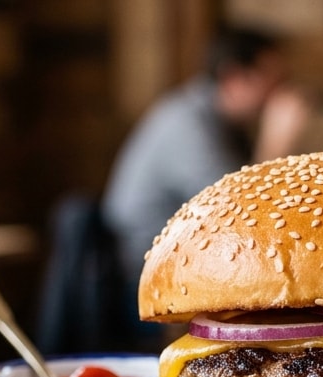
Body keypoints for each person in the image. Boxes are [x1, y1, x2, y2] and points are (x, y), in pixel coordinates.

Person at [102, 26, 310, 346]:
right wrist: (276, 141)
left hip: (180, 270)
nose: (281, 92)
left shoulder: (225, 124)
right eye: (273, 79)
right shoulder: (188, 125)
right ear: (234, 77)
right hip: (139, 278)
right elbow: (241, 215)